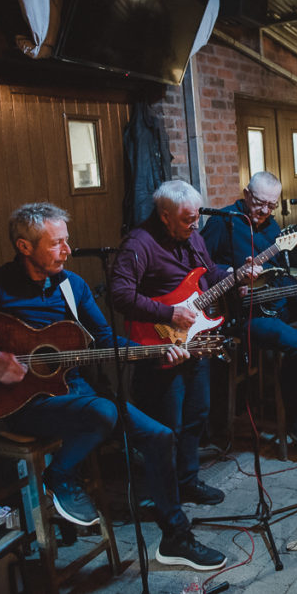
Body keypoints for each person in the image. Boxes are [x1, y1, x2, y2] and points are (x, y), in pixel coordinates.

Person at [0, 202, 226, 571]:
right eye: (56, 243)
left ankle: (176, 538)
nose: (67, 251)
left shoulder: (72, 287)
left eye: (67, 241)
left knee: (160, 435)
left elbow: (107, 342)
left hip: (78, 398)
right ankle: (60, 475)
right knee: (103, 410)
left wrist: (156, 352)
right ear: (25, 247)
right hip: (27, 405)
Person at [108, 180, 237, 510]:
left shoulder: (193, 237)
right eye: (187, 219)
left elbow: (207, 276)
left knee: (197, 414)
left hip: (195, 340)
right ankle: (162, 496)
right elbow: (119, 295)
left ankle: (187, 482)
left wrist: (236, 275)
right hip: (158, 345)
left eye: (196, 218)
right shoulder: (138, 244)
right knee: (168, 425)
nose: (194, 226)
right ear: (164, 216)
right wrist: (168, 312)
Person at [200, 171, 297, 448]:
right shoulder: (224, 222)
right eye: (260, 203)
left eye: (271, 205)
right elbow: (200, 267)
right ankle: (294, 416)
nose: (265, 211)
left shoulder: (272, 228)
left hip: (279, 300)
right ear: (246, 194)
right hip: (245, 313)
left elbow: (281, 272)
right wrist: (232, 274)